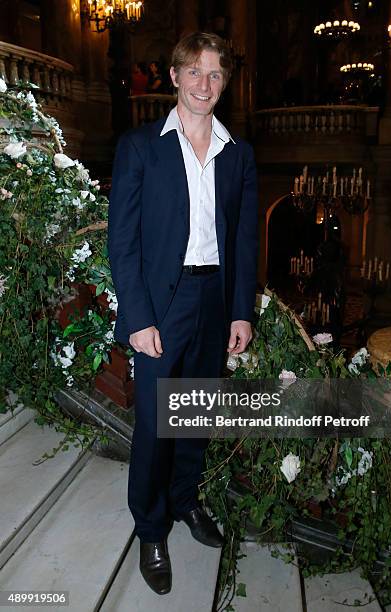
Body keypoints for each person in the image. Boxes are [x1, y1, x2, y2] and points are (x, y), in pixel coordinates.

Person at [108, 32, 258, 596]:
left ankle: (186, 502)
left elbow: (244, 241)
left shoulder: (238, 154)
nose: (204, 84)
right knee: (154, 423)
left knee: (194, 415)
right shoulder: (141, 147)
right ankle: (151, 529)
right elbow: (122, 243)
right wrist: (139, 317)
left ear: (225, 83)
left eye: (215, 74)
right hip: (161, 307)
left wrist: (240, 312)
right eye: (194, 72)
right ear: (173, 77)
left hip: (215, 301)